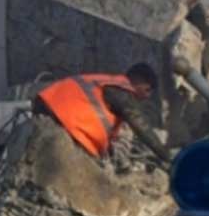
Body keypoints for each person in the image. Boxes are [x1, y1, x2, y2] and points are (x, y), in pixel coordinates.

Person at [33, 63, 172, 166]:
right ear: (139, 82)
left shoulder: (102, 81)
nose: (146, 97)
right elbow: (141, 126)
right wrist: (167, 157)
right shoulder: (121, 91)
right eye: (147, 90)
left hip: (47, 106)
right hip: (68, 124)